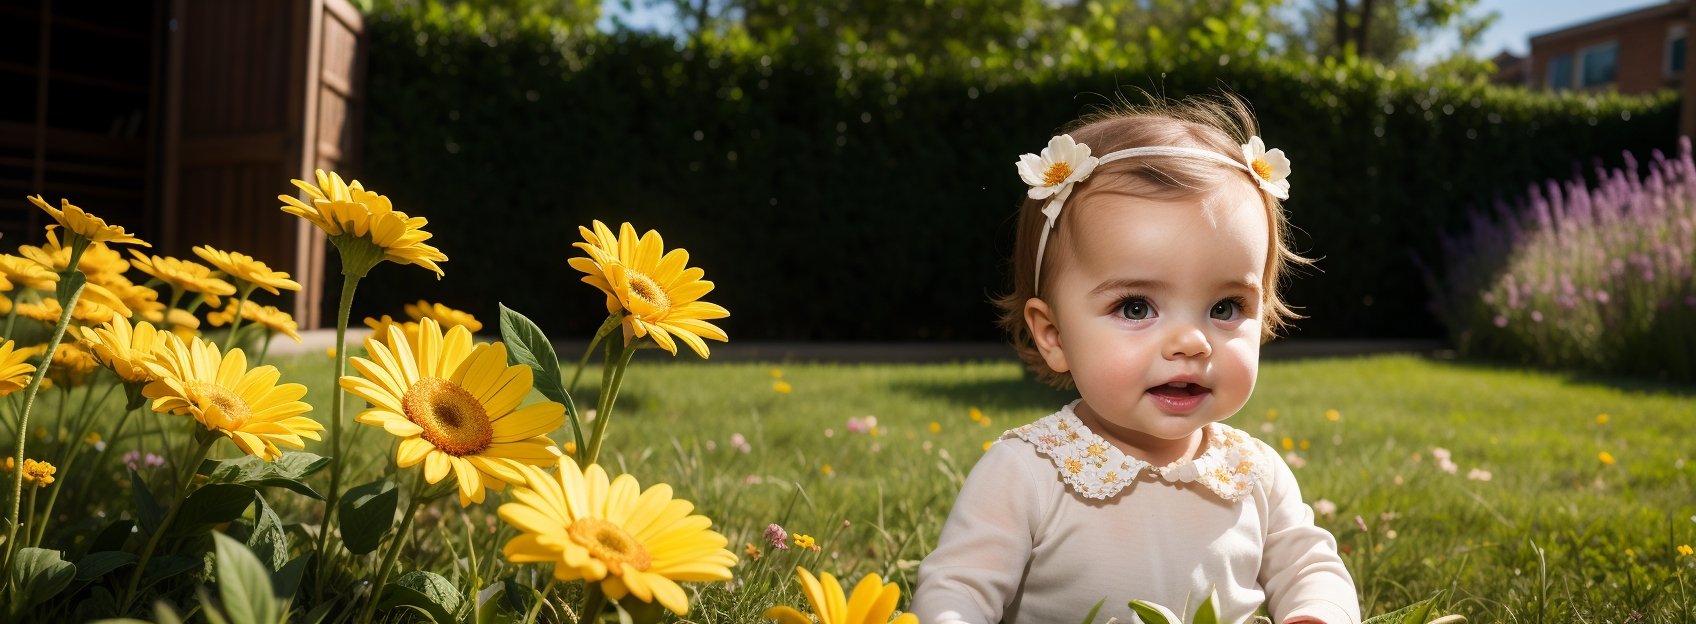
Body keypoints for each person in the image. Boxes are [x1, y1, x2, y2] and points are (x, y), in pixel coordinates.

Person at [910, 93, 1360, 624]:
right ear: (1054, 335)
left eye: (1225, 306)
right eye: (1136, 306)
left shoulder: (1254, 473)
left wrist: (1316, 613)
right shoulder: (1029, 472)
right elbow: (958, 587)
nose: (1191, 342)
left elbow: (1309, 567)